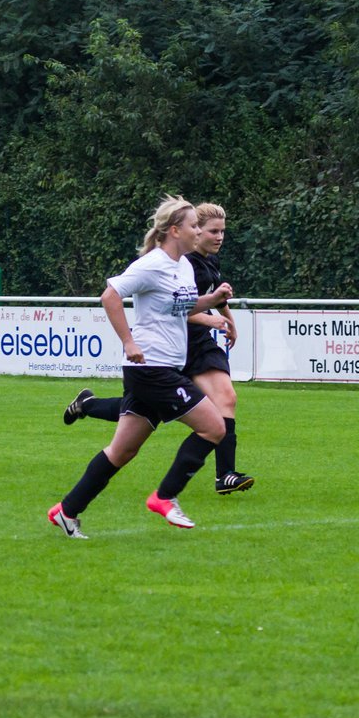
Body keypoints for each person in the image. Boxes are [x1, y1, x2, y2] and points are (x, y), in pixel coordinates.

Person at [48, 196, 233, 539]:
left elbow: (183, 305)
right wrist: (129, 342)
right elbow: (110, 296)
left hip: (161, 368)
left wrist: (213, 301)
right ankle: (165, 497)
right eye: (194, 225)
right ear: (175, 230)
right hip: (152, 368)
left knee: (122, 451)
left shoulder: (183, 267)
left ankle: (67, 511)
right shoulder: (152, 264)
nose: (198, 231)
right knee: (214, 427)